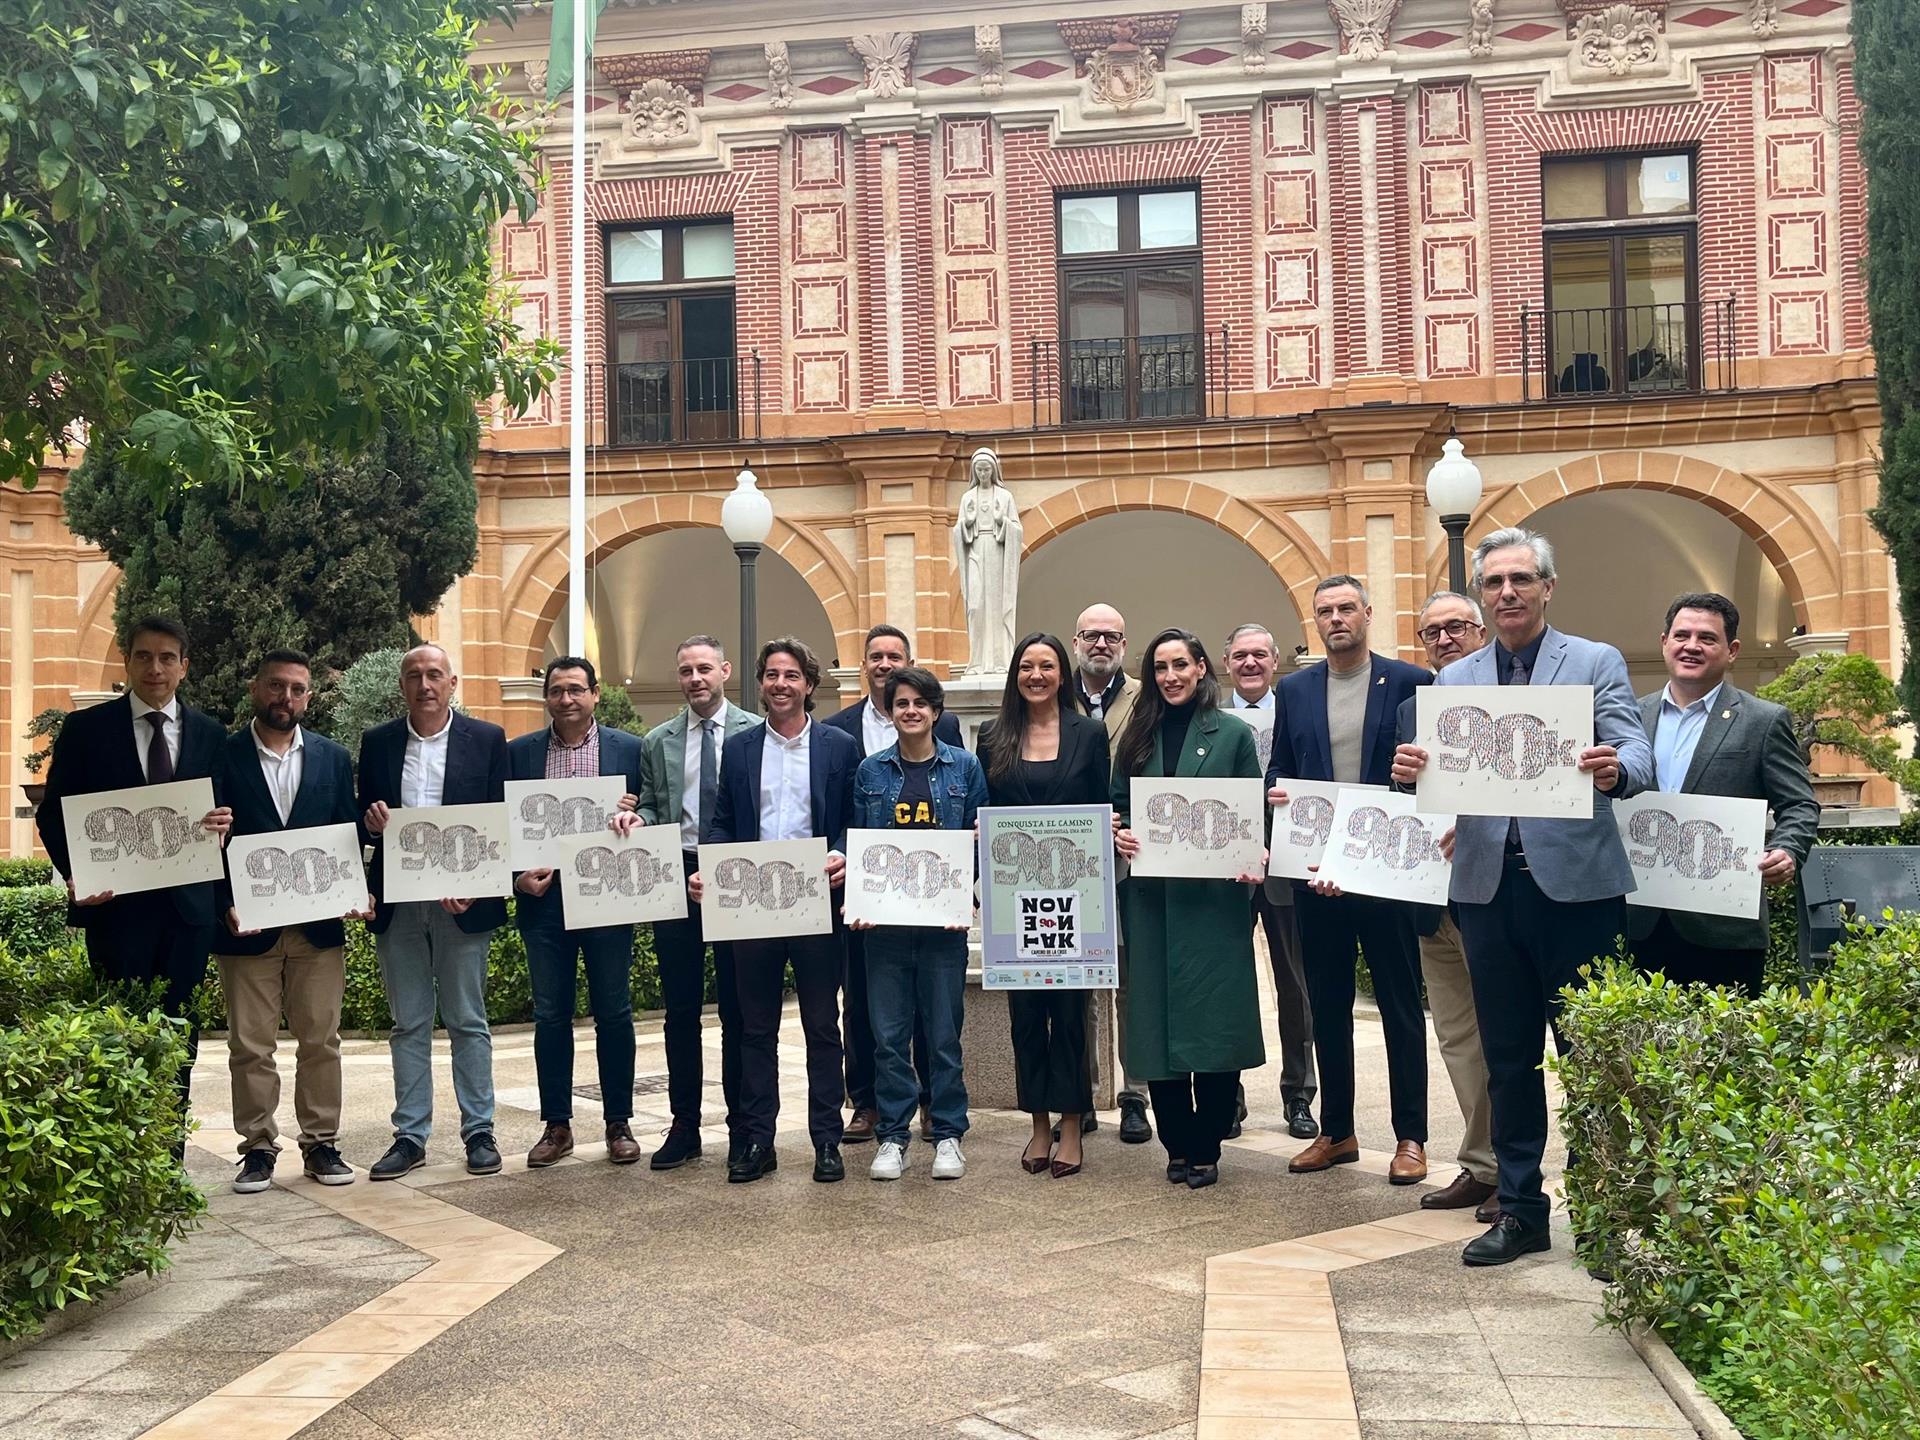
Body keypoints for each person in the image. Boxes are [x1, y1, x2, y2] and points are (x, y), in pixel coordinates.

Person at [1393, 526, 1654, 1266]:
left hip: (1576, 889)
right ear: (1483, 595)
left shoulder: (1594, 661)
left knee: (1592, 1056)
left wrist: (1615, 771)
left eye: (1520, 580)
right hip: (1484, 888)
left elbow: (1635, 747)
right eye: (1494, 583)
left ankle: (1606, 1215)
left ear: (1547, 587)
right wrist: (1414, 772)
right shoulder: (1453, 681)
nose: (1507, 593)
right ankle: (1520, 1209)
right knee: (1507, 1058)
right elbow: (1440, 782)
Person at [35, 616, 231, 1142]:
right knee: (116, 1039)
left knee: (179, 1040)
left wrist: (223, 827)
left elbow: (229, 818)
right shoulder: (87, 731)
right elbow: (53, 815)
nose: (155, 668)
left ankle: (168, 1160)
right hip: (116, 912)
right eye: (144, 656)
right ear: (127, 661)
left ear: (185, 667)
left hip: (189, 915)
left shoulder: (213, 735)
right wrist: (77, 874)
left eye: (168, 657)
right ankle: (121, 1153)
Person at [1269, 577, 1432, 1185]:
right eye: (1324, 612)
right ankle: (1337, 1132)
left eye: (1346, 609)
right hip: (1317, 874)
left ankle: (1411, 1137)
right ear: (1315, 623)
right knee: (1328, 1003)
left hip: (1385, 870)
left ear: (1367, 614)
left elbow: (1431, 774)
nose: (1335, 618)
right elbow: (1282, 764)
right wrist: (1276, 794)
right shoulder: (1296, 688)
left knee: (1398, 1003)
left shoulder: (1412, 682)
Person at [696, 637, 857, 1185]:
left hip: (817, 905)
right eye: (770, 675)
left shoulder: (838, 746)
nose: (780, 684)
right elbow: (723, 822)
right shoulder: (740, 749)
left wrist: (841, 851)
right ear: (760, 683)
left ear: (809, 685)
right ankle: (757, 1140)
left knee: (821, 1025)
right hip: (753, 911)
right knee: (755, 1028)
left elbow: (852, 820)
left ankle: (826, 1141)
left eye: (791, 675)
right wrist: (709, 869)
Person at [1112, 628, 1267, 1189]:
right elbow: (1117, 806)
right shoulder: (1138, 735)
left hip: (1213, 903)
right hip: (1152, 902)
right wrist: (1118, 834)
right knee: (1156, 1023)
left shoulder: (1231, 735)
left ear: (1202, 668)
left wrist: (1256, 849)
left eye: (1181, 664)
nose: (1170, 676)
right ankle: (1176, 1145)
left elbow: (1250, 813)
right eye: (1160, 667)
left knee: (1215, 1022)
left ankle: (1207, 1146)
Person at [213, 650, 366, 1193]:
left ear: (309, 696)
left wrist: (357, 891)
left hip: (318, 928)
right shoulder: (221, 754)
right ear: (256, 688)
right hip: (246, 928)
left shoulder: (331, 757)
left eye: (298, 689)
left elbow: (346, 837)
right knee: (250, 1046)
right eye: (277, 686)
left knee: (321, 1039)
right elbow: (207, 841)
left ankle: (321, 1143)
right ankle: (256, 1148)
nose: (287, 698)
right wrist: (223, 904)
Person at [358, 644, 510, 1181]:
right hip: (399, 904)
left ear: (453, 683)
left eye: (434, 675)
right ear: (402, 686)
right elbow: (361, 822)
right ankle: (410, 1135)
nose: (425, 684)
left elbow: (500, 820)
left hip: (460, 902)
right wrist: (371, 824)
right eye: (414, 676)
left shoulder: (487, 740)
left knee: (468, 1019)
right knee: (408, 1022)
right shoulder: (377, 743)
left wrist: (479, 885)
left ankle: (479, 1131)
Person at [1629, 593, 1818, 997]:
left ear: (1731, 650)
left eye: (1707, 638)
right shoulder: (1628, 716)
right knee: (1640, 1058)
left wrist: (1787, 849)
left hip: (1724, 927)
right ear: (1664, 641)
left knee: (1724, 1059)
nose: (1691, 646)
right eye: (1681, 635)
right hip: (1637, 924)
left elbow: (1799, 804)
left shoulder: (1764, 722)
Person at [977, 633, 1112, 1177]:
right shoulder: (993, 736)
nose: (1036, 675)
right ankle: (1037, 1124)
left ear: (1062, 674)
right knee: (1026, 1017)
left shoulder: (1091, 733)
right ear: (1015, 674)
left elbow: (1103, 805)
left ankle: (1073, 1125)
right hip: (1014, 901)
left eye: (1047, 666)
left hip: (1076, 897)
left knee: (1072, 1014)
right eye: (1027, 666)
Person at [822, 623, 962, 1145]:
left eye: (894, 656)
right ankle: (871, 1106)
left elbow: (969, 825)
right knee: (867, 1011)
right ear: (865, 665)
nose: (884, 663)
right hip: (878, 910)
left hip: (937, 912)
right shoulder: (844, 737)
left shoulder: (953, 747)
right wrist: (855, 887)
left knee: (938, 1023)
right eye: (876, 656)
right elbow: (852, 825)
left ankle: (937, 1113)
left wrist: (963, 890)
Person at [507, 657, 646, 1169]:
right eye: (557, 690)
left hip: (607, 896)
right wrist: (514, 879)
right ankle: (557, 1124)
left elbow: (652, 811)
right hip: (543, 899)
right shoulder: (519, 754)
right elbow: (502, 828)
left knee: (614, 1011)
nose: (566, 699)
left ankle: (619, 1122)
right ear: (547, 697)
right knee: (550, 1013)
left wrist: (636, 814)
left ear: (595, 693)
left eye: (575, 690)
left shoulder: (629, 749)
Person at [849, 667, 986, 1181]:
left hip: (942, 931)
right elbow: (860, 842)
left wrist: (963, 899)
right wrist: (859, 899)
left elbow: (978, 840)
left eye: (920, 703)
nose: (911, 711)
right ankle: (893, 1136)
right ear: (889, 710)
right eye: (901, 703)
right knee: (887, 1037)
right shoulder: (870, 772)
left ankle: (948, 1134)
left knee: (943, 1035)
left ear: (935, 710)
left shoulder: (964, 768)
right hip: (883, 930)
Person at [634, 636, 759, 1169]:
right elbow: (652, 806)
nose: (695, 679)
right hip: (677, 872)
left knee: (739, 1008)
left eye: (704, 668)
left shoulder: (756, 732)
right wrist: (634, 817)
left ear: (725, 671)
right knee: (680, 1010)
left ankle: (742, 1124)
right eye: (685, 671)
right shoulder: (657, 741)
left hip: (733, 872)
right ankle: (685, 1125)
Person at [1396, 594, 1499, 1221]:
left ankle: (1511, 1170)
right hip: (1433, 902)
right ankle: (1482, 1164)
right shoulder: (1414, 708)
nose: (1444, 639)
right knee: (1459, 1037)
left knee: (1506, 1038)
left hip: (1497, 896)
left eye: (1455, 627)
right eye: (1431, 631)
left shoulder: (1510, 700)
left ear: (1480, 632)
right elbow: (1402, 797)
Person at [1221, 622, 1317, 1142]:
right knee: (1229, 983)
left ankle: (1299, 1094)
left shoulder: (1299, 711)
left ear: (1276, 659)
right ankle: (1228, 1097)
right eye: (1241, 655)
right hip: (1228, 868)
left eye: (1260, 654)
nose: (1251, 663)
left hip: (1287, 864)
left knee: (1295, 985)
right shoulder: (1210, 717)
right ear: (1226, 662)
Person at [1069, 602, 1148, 1144]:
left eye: (1111, 636)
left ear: (1123, 643)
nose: (1101, 644)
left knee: (1130, 980)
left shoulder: (1145, 697)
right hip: (1071, 862)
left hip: (1129, 855)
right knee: (1081, 979)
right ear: (1076, 642)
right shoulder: (1052, 691)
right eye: (1091, 636)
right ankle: (1086, 1090)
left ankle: (1135, 1094)